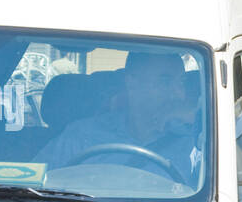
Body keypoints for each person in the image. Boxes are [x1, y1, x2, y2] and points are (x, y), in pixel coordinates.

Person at [39, 51, 200, 185]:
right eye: (165, 82)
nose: (179, 94)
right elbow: (32, 182)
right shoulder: (83, 135)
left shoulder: (196, 142)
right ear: (132, 83)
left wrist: (200, 120)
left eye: (181, 82)